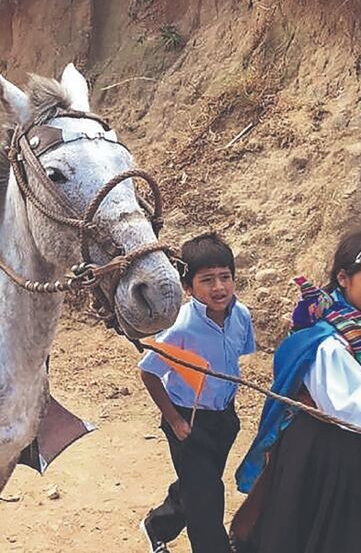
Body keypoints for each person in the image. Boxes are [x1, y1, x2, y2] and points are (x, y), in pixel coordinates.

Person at [232, 232, 361, 553]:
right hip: (327, 452)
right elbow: (340, 408)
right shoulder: (328, 341)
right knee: (331, 532)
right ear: (344, 278)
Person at [137, 233, 254, 553]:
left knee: (198, 485)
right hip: (189, 421)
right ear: (188, 288)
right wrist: (175, 422)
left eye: (225, 277)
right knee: (207, 501)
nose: (219, 287)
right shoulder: (181, 327)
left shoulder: (241, 316)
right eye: (207, 280)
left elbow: (238, 357)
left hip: (225, 419)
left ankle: (157, 525)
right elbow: (148, 371)